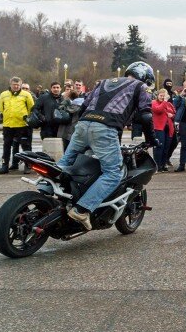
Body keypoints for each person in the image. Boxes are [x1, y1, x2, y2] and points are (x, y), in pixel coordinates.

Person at [58, 61, 157, 230]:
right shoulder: (140, 86)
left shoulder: (103, 82)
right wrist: (151, 139)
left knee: (64, 164)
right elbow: (146, 116)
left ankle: (47, 193)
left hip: (82, 126)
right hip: (104, 129)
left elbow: (83, 107)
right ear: (145, 77)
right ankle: (81, 209)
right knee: (113, 173)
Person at [0, 77, 35, 174]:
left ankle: (28, 165)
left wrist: (26, 119)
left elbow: (31, 108)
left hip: (23, 125)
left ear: (21, 85)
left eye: (18, 85)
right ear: (10, 84)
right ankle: (5, 166)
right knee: (6, 146)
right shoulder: (3, 95)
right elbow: (1, 108)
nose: (16, 86)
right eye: (14, 84)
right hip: (8, 125)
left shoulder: (26, 95)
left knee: (26, 146)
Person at [151, 88, 175, 172]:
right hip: (159, 128)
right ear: (157, 96)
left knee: (166, 147)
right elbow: (158, 110)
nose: (162, 97)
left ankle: (163, 164)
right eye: (161, 96)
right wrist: (164, 101)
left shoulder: (169, 104)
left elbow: (174, 113)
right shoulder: (154, 102)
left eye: (164, 96)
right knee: (159, 146)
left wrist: (171, 115)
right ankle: (157, 165)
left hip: (168, 128)